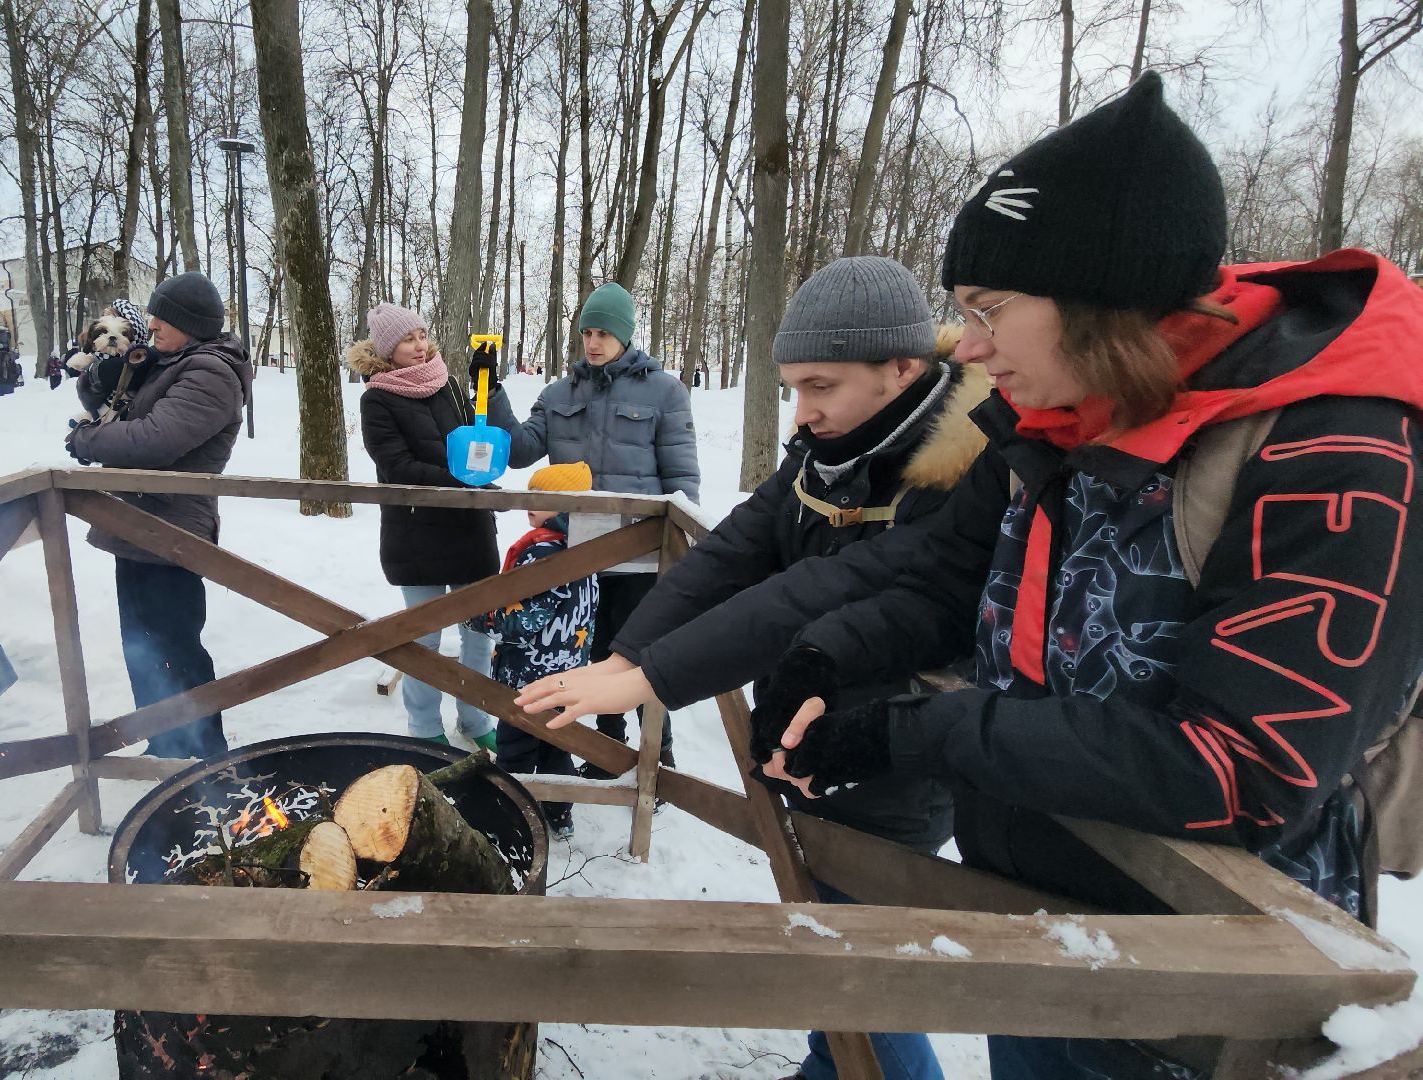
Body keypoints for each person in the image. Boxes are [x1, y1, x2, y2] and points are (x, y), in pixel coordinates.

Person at [520, 73, 1423, 1080]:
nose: (974, 347)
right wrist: (828, 656)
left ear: (1100, 302)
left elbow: (1241, 765)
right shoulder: (1054, 418)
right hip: (1030, 920)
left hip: (1214, 983)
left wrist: (916, 731)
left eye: (989, 310)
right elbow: (943, 581)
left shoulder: (1336, 452)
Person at [603, 256, 981, 1080]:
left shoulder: (961, 475)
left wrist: (658, 673)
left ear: (902, 369)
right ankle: (828, 1067)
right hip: (804, 736)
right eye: (791, 389)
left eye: (820, 386)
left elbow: (821, 587)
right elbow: (740, 545)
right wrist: (631, 648)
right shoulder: (832, 446)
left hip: (891, 754)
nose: (801, 413)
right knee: (830, 939)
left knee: (859, 962)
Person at [484, 281, 699, 775]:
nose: (594, 342)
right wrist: (490, 391)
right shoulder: (560, 393)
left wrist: (679, 547)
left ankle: (655, 757)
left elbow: (683, 480)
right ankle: (606, 752)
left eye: (604, 332)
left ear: (625, 335)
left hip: (642, 555)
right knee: (587, 657)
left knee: (642, 659)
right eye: (587, 332)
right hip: (576, 555)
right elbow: (519, 450)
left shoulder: (664, 391)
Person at [67, 278, 251, 759]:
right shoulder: (168, 362)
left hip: (171, 530)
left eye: (161, 319)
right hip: (139, 524)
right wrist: (101, 378)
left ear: (188, 325)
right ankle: (165, 743)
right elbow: (111, 406)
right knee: (144, 647)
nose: (150, 325)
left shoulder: (209, 372)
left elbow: (153, 440)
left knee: (175, 646)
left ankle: (203, 754)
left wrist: (86, 441)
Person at [345, 301, 500, 751]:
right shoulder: (377, 397)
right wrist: (462, 482)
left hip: (470, 528)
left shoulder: (449, 385)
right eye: (407, 339)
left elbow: (478, 441)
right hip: (417, 533)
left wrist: (488, 389)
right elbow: (396, 466)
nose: (419, 345)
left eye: (421, 335)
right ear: (387, 349)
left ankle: (474, 719)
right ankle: (425, 728)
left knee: (478, 633)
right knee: (424, 640)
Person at [466, 462, 602, 841]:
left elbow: (525, 618)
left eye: (539, 498)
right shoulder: (589, 548)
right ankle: (560, 813)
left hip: (529, 676)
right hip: (567, 673)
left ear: (564, 506)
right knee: (557, 742)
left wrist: (480, 619)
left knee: (516, 746)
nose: (529, 503)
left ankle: (510, 814)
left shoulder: (544, 553)